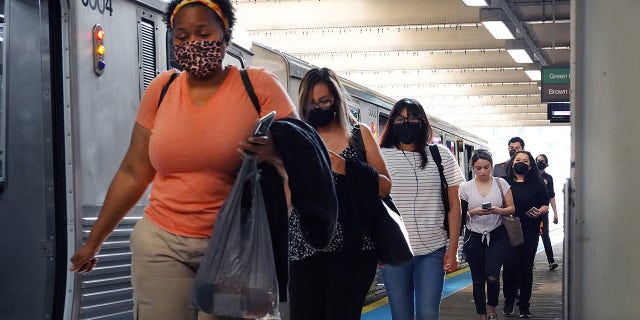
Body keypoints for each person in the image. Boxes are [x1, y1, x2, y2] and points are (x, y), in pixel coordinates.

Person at [69, 1, 300, 319]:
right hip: (161, 240)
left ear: (225, 36)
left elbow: (304, 156)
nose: (193, 43)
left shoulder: (257, 86)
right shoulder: (161, 90)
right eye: (182, 36)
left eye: (203, 33)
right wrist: (94, 242)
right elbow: (134, 171)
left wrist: (273, 151)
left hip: (233, 245)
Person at [288, 67, 391, 320]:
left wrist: (347, 167)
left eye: (324, 101)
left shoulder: (359, 135)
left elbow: (385, 185)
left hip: (353, 249)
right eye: (311, 103)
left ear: (336, 100)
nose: (318, 107)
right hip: (304, 246)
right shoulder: (297, 136)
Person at [379, 98, 465, 320]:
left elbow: (454, 205)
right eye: (399, 118)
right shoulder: (380, 156)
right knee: (401, 316)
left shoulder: (441, 155)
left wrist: (453, 247)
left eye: (413, 118)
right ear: (391, 123)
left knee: (428, 314)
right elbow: (372, 204)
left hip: (433, 251)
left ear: (423, 122)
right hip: (394, 252)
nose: (406, 123)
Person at [459, 149, 515, 320]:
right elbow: (460, 216)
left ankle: (491, 309)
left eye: (486, 167)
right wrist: (473, 212)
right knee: (477, 278)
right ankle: (481, 313)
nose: (483, 171)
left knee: (492, 274)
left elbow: (512, 208)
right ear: (472, 168)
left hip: (497, 234)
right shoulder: (464, 187)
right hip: (473, 236)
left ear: (491, 165)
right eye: (478, 168)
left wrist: (498, 210)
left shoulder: (502, 184)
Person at [501, 151, 549, 318]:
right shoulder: (504, 183)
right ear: (512, 163)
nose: (521, 162)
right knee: (508, 266)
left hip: (530, 229)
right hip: (509, 229)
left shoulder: (538, 183)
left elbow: (545, 205)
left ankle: (524, 305)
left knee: (526, 267)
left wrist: (539, 212)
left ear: (530, 165)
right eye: (517, 160)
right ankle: (509, 299)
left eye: (525, 160)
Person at [535, 154, 559, 271]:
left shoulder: (548, 178)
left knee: (545, 236)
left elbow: (552, 197)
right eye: (537, 160)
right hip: (531, 212)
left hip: (543, 211)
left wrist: (555, 213)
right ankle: (529, 261)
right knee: (530, 237)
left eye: (542, 161)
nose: (539, 162)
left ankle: (551, 261)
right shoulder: (530, 175)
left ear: (546, 163)